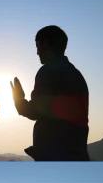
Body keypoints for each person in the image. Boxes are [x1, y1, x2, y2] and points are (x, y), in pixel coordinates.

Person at [11, 25, 90, 161]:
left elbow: (35, 111)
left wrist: (18, 99)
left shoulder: (48, 71)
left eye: (38, 46)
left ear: (46, 44)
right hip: (76, 151)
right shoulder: (76, 74)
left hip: (55, 154)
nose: (37, 52)